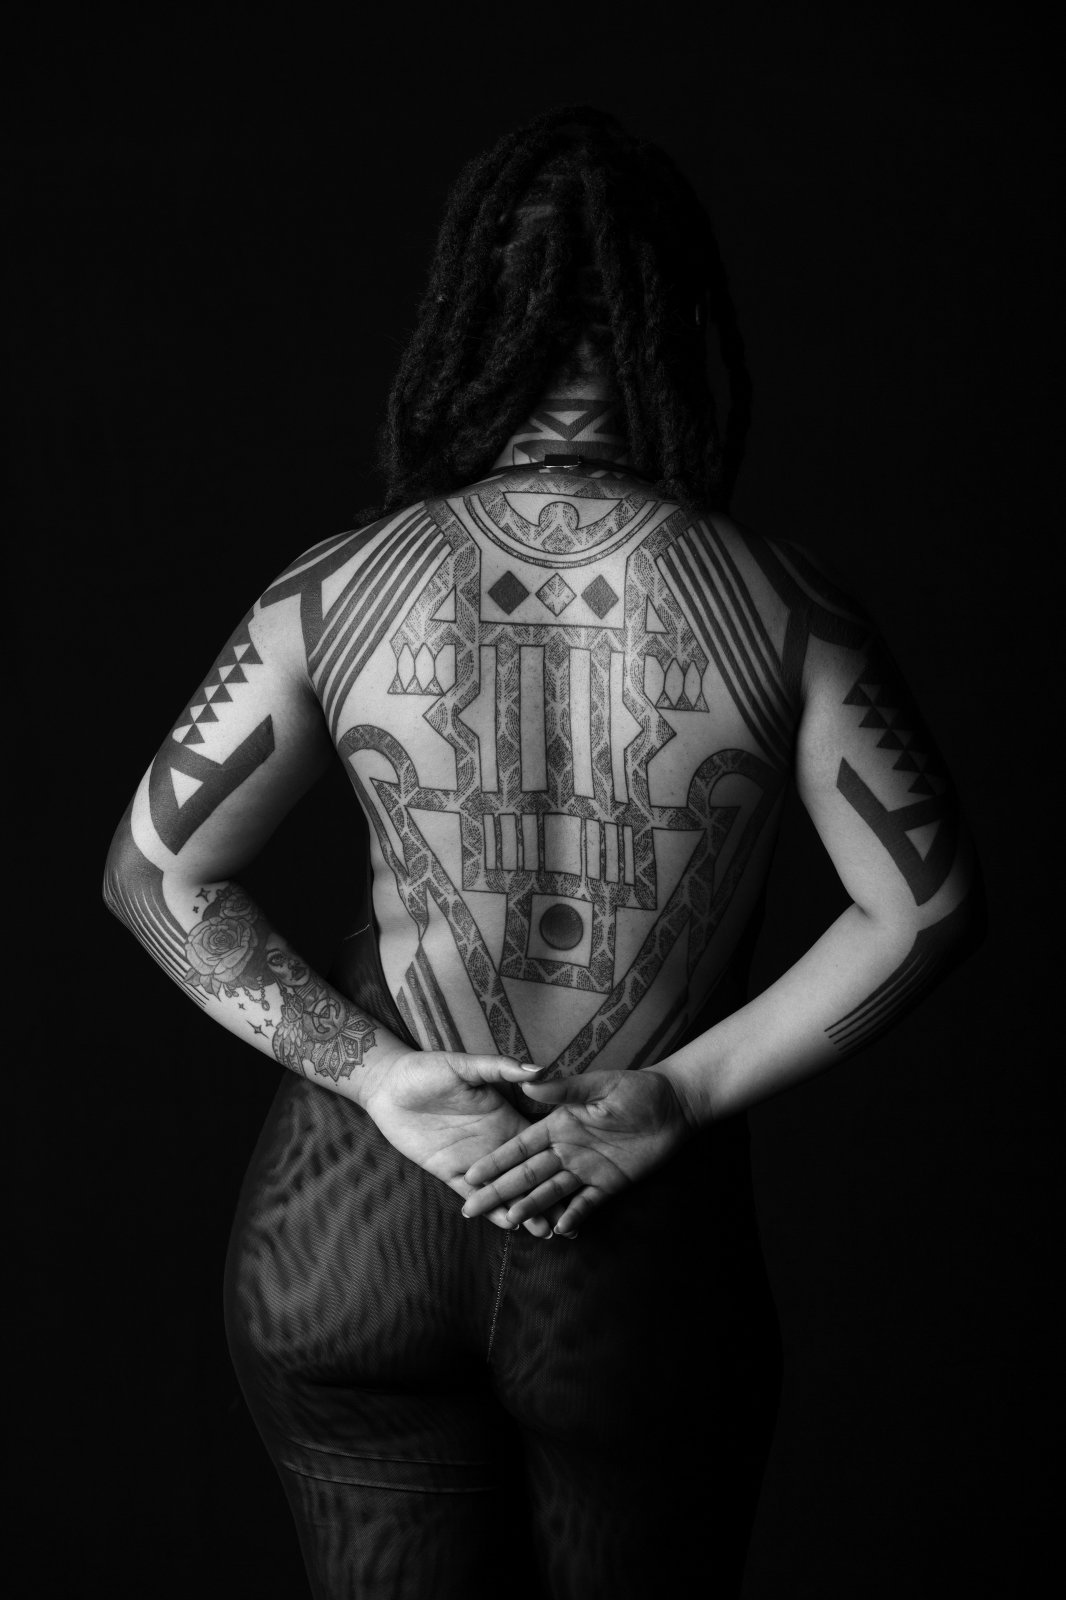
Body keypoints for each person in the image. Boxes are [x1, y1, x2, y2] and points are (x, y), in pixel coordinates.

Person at [103, 105, 983, 1600]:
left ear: (471, 327)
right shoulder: (786, 607)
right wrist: (673, 1096)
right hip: (626, 1241)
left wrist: (379, 1078)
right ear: (672, 327)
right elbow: (927, 907)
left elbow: (152, 875)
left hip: (353, 1223)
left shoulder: (332, 591)